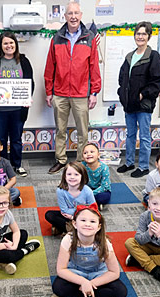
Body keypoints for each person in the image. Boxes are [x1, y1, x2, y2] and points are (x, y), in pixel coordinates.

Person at [44, 1, 101, 174]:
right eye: (70, 13)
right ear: (65, 16)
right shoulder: (57, 38)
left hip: (81, 93)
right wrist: (49, 92)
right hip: (60, 93)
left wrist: (94, 92)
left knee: (83, 131)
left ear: (81, 15)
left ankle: (80, 162)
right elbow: (49, 67)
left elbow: (94, 67)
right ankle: (60, 160)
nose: (73, 17)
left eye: (76, 13)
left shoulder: (89, 38)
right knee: (60, 129)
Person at [51, 203, 127, 297]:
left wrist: (90, 284)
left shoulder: (104, 243)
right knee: (58, 287)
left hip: (98, 274)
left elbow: (114, 272)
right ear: (75, 224)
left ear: (98, 227)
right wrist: (83, 282)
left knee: (121, 291)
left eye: (92, 221)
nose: (87, 224)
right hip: (76, 272)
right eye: (83, 220)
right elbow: (61, 269)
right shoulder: (68, 239)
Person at [0, 31, 34, 177]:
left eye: (11, 42)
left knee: (16, 138)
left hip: (19, 109)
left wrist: (28, 97)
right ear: (1, 45)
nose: (9, 46)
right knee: (1, 138)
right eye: (5, 43)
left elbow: (30, 82)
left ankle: (17, 165)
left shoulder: (23, 61)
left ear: (15, 44)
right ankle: (3, 166)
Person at [117, 21, 160, 178]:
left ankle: (143, 166)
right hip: (129, 104)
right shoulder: (129, 56)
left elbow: (157, 80)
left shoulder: (153, 56)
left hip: (144, 105)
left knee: (144, 136)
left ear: (149, 36)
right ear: (134, 35)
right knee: (130, 134)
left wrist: (142, 94)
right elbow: (122, 78)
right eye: (138, 33)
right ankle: (129, 162)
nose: (140, 36)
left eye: (144, 34)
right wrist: (122, 94)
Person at [125, 188, 160, 288]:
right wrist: (149, 233)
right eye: (154, 204)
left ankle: (138, 260)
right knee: (129, 242)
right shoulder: (145, 216)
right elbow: (138, 239)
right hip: (147, 246)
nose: (158, 208)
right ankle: (154, 269)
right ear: (149, 203)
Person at [45, 162, 95, 235]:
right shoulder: (60, 191)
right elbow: (64, 210)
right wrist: (81, 209)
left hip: (83, 217)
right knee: (49, 215)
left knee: (95, 220)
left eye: (76, 174)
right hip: (68, 216)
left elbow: (93, 209)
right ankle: (75, 230)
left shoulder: (87, 191)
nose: (72, 177)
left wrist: (72, 216)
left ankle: (67, 230)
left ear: (82, 176)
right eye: (69, 174)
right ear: (65, 176)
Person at [82, 143, 111, 211]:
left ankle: (90, 202)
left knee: (103, 198)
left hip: (101, 190)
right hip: (87, 188)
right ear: (83, 157)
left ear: (98, 155)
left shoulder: (104, 168)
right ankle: (91, 202)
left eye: (92, 152)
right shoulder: (82, 166)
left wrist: (90, 194)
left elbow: (105, 186)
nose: (88, 154)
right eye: (85, 153)